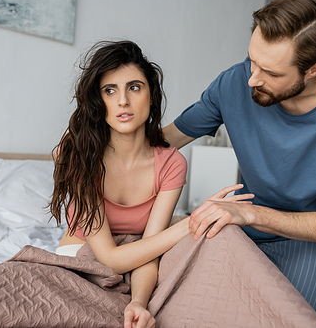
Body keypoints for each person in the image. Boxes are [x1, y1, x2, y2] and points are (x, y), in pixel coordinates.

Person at [163, 0, 316, 317]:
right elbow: (166, 140)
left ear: (315, 69)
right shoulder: (234, 83)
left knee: (288, 316)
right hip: (237, 228)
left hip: (303, 236)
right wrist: (92, 142)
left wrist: (249, 214)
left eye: (271, 73)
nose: (252, 79)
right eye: (252, 60)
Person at [49, 40, 253, 328]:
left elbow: (151, 248)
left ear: (151, 96)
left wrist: (139, 302)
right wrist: (194, 220)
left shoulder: (171, 163)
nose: (123, 101)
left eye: (134, 87)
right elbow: (110, 258)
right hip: (82, 260)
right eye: (110, 90)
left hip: (141, 262)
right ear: (99, 101)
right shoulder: (79, 153)